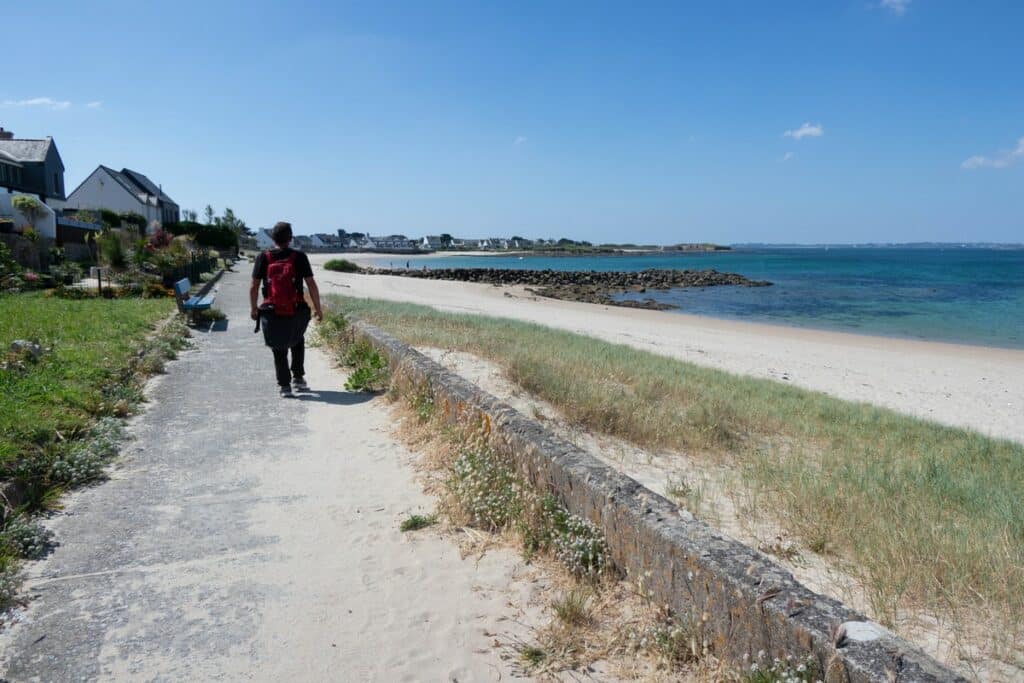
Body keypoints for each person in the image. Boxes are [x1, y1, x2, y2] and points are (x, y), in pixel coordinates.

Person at [250, 222, 323, 397]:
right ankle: (298, 378)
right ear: (290, 238)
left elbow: (254, 285)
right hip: (296, 307)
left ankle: (285, 386)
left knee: (278, 346)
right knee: (297, 339)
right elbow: (311, 284)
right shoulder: (299, 256)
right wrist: (317, 308)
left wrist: (254, 308)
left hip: (271, 308)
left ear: (273, 238)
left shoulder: (263, 257)